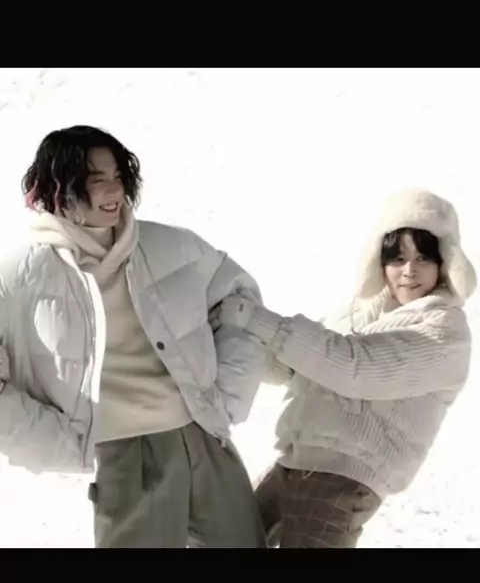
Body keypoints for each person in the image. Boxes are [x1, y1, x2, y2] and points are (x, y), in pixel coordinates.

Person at [0, 125, 266, 548]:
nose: (114, 191)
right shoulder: (19, 277)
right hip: (120, 455)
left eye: (118, 177)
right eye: (96, 180)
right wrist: (43, 437)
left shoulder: (170, 246)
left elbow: (240, 302)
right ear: (58, 188)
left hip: (201, 435)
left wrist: (229, 392)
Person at [213, 189, 477, 548]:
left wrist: (257, 319)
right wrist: (227, 336)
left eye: (423, 258)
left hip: (341, 481)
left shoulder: (445, 331)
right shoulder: (362, 312)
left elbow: (354, 367)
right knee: (222, 540)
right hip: (294, 464)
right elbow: (296, 368)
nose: (409, 271)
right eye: (398, 259)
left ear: (445, 262)